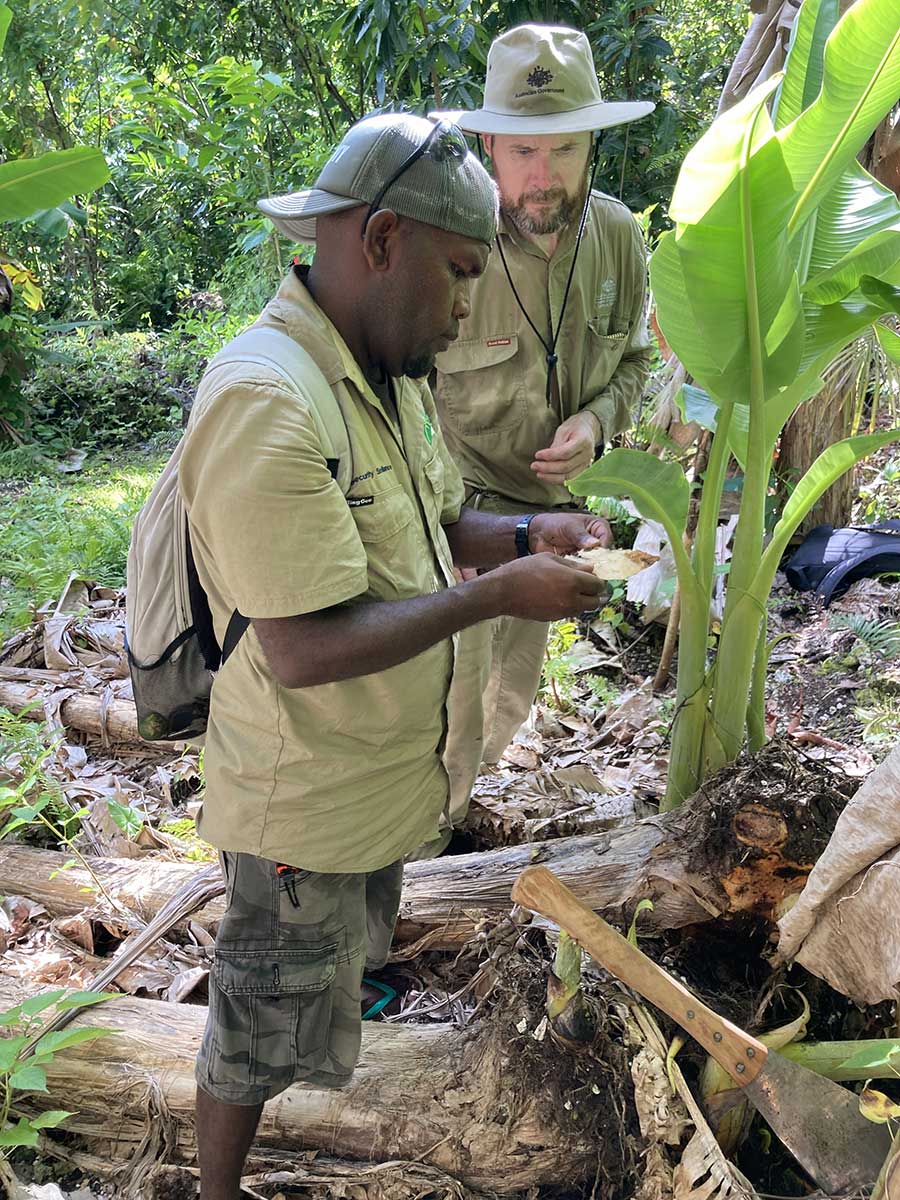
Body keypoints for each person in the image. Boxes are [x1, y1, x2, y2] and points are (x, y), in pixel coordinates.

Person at [179, 112, 611, 1200]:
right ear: (380, 241)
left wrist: (526, 536)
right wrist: (500, 597)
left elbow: (427, 528)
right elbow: (305, 647)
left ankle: (326, 1065)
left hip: (369, 780)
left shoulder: (378, 373)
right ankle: (210, 1190)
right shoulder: (268, 399)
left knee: (323, 979)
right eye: (460, 274)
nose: (467, 308)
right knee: (253, 1021)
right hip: (302, 798)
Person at [432, 24, 655, 765]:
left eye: (564, 148)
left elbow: (636, 362)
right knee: (436, 697)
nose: (544, 174)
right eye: (524, 150)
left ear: (592, 145)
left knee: (505, 700)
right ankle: (415, 846)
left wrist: (597, 420)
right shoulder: (450, 242)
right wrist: (443, 526)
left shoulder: (619, 237)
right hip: (456, 520)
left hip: (552, 525)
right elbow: (396, 391)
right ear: (488, 147)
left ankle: (455, 834)